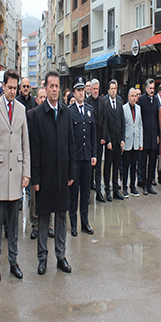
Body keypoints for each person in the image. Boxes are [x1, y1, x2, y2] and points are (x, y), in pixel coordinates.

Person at [0, 71, 30, 283]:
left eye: (15, 88)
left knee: (13, 226)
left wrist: (26, 173)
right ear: (3, 86)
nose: (12, 91)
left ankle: (14, 262)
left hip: (17, 176)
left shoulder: (22, 109)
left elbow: (25, 144)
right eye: (9, 87)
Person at [28, 71, 76, 275]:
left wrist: (71, 172)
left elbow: (71, 145)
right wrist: (35, 178)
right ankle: (42, 258)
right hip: (45, 176)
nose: (54, 90)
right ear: (45, 88)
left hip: (62, 174)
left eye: (57, 86)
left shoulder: (66, 113)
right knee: (43, 216)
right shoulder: (37, 115)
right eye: (51, 86)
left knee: (61, 216)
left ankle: (61, 256)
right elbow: (34, 150)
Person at [68, 77, 96, 236]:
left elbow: (93, 133)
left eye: (82, 90)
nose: (81, 93)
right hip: (75, 159)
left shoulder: (89, 109)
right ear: (74, 92)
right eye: (78, 91)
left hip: (87, 158)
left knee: (85, 193)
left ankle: (85, 223)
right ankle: (73, 224)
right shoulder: (69, 111)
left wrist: (94, 154)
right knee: (74, 193)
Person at [100, 80, 125, 200]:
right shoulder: (104, 103)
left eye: (115, 88)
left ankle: (116, 189)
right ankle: (107, 190)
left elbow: (122, 121)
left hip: (118, 140)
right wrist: (108, 140)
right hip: (110, 141)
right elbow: (105, 123)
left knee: (116, 166)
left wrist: (123, 139)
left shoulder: (120, 102)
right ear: (108, 90)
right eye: (112, 89)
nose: (114, 91)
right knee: (108, 167)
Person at [138, 80, 161, 196]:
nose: (152, 90)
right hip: (144, 136)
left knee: (152, 161)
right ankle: (143, 184)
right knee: (143, 162)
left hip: (153, 137)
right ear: (146, 88)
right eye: (150, 88)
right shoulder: (141, 100)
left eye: (153, 88)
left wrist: (158, 135)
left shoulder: (156, 100)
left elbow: (158, 118)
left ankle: (149, 185)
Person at [121, 87, 144, 197]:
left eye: (136, 96)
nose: (134, 98)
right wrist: (122, 142)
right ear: (128, 97)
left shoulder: (139, 108)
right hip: (127, 142)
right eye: (132, 96)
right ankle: (124, 187)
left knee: (134, 166)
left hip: (136, 142)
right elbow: (122, 126)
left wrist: (141, 143)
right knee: (125, 166)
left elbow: (140, 126)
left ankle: (133, 187)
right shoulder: (124, 108)